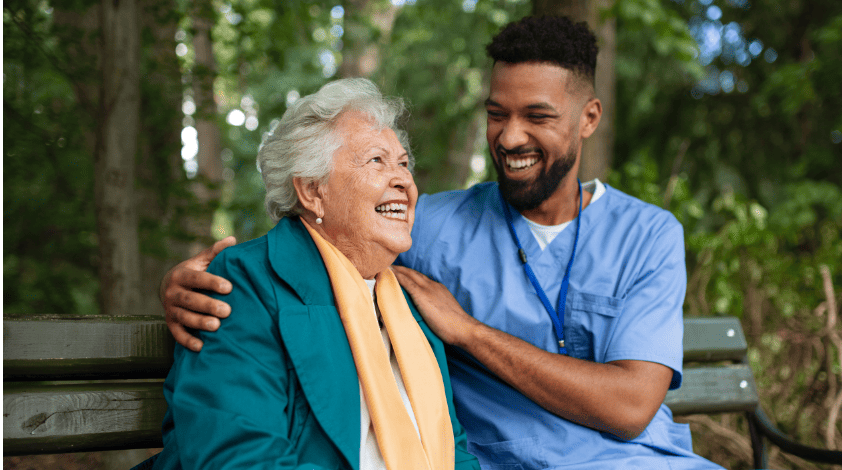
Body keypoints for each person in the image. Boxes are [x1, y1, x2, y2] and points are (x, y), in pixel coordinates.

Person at [162, 16, 724, 469]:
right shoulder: (428, 225)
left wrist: (469, 332)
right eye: (496, 114)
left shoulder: (648, 233)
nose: (509, 136)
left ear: (588, 118)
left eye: (537, 116)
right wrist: (191, 282)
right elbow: (315, 245)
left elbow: (630, 407)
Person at [141, 78, 478, 470]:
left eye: (403, 163)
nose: (404, 180)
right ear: (313, 192)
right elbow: (238, 455)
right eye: (376, 161)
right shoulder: (244, 283)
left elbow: (454, 450)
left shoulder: (406, 304)